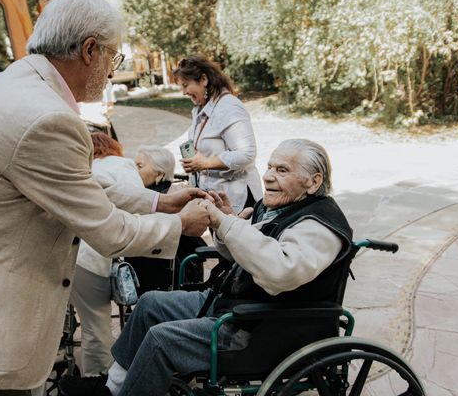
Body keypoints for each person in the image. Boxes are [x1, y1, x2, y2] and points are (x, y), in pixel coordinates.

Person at [0, 0, 209, 396]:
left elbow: (77, 188)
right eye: (113, 56)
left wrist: (158, 201)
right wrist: (180, 225)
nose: (111, 70)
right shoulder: (46, 118)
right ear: (90, 50)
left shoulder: (17, 82)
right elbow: (108, 233)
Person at [59, 139, 353, 396]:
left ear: (313, 182)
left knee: (162, 339)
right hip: (236, 305)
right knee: (150, 304)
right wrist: (228, 225)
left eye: (282, 170)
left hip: (263, 328)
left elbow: (279, 271)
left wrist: (226, 223)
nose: (267, 177)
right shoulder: (281, 206)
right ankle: (112, 388)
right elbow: (247, 255)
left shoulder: (318, 226)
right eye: (270, 167)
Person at [71, 132, 145, 378]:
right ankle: (97, 380)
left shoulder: (84, 168)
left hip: (70, 253)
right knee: (96, 325)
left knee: (86, 321)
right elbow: (137, 203)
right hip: (90, 254)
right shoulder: (122, 164)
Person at [175, 55, 262, 213]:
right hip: (216, 199)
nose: (184, 92)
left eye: (186, 85)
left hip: (237, 201)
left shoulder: (229, 107)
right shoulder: (201, 109)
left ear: (203, 80)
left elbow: (247, 153)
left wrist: (206, 163)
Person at [129, 145, 206, 293]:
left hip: (165, 277)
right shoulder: (143, 196)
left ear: (159, 174)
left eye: (139, 166)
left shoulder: (166, 198)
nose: (134, 171)